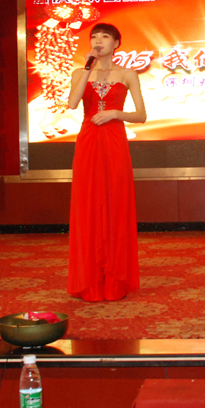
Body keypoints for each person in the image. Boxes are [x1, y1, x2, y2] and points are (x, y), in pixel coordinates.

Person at [66, 23, 146, 301]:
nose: (98, 41)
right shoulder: (80, 72)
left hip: (114, 140)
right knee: (88, 203)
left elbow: (141, 115)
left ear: (116, 43)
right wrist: (87, 69)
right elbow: (72, 103)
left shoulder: (127, 74)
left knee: (115, 202)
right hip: (88, 141)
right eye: (94, 36)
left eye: (105, 37)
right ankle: (89, 280)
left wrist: (115, 113)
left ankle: (114, 279)